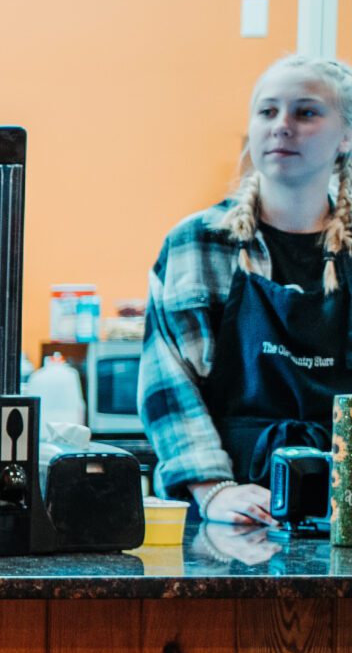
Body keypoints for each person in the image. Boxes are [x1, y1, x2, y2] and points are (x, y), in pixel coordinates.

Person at [142, 55, 352, 525]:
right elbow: (168, 386)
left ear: (346, 137)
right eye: (267, 111)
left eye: (306, 112)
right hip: (228, 508)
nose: (282, 126)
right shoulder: (198, 244)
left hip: (345, 511)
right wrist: (213, 491)